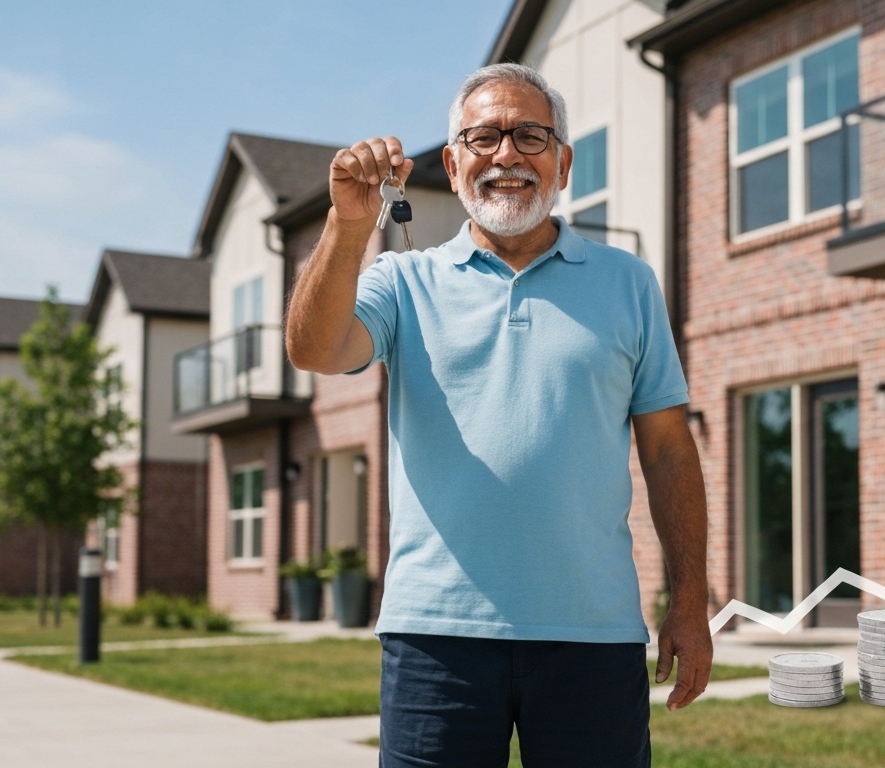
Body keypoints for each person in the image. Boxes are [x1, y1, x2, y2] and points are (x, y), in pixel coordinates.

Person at [286, 63, 711, 767]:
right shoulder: (404, 281)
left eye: (530, 136)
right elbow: (313, 349)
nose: (506, 154)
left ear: (563, 164)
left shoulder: (629, 282)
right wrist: (347, 226)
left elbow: (669, 450)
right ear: (453, 167)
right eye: (482, 137)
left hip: (593, 636)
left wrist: (690, 602)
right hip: (435, 638)